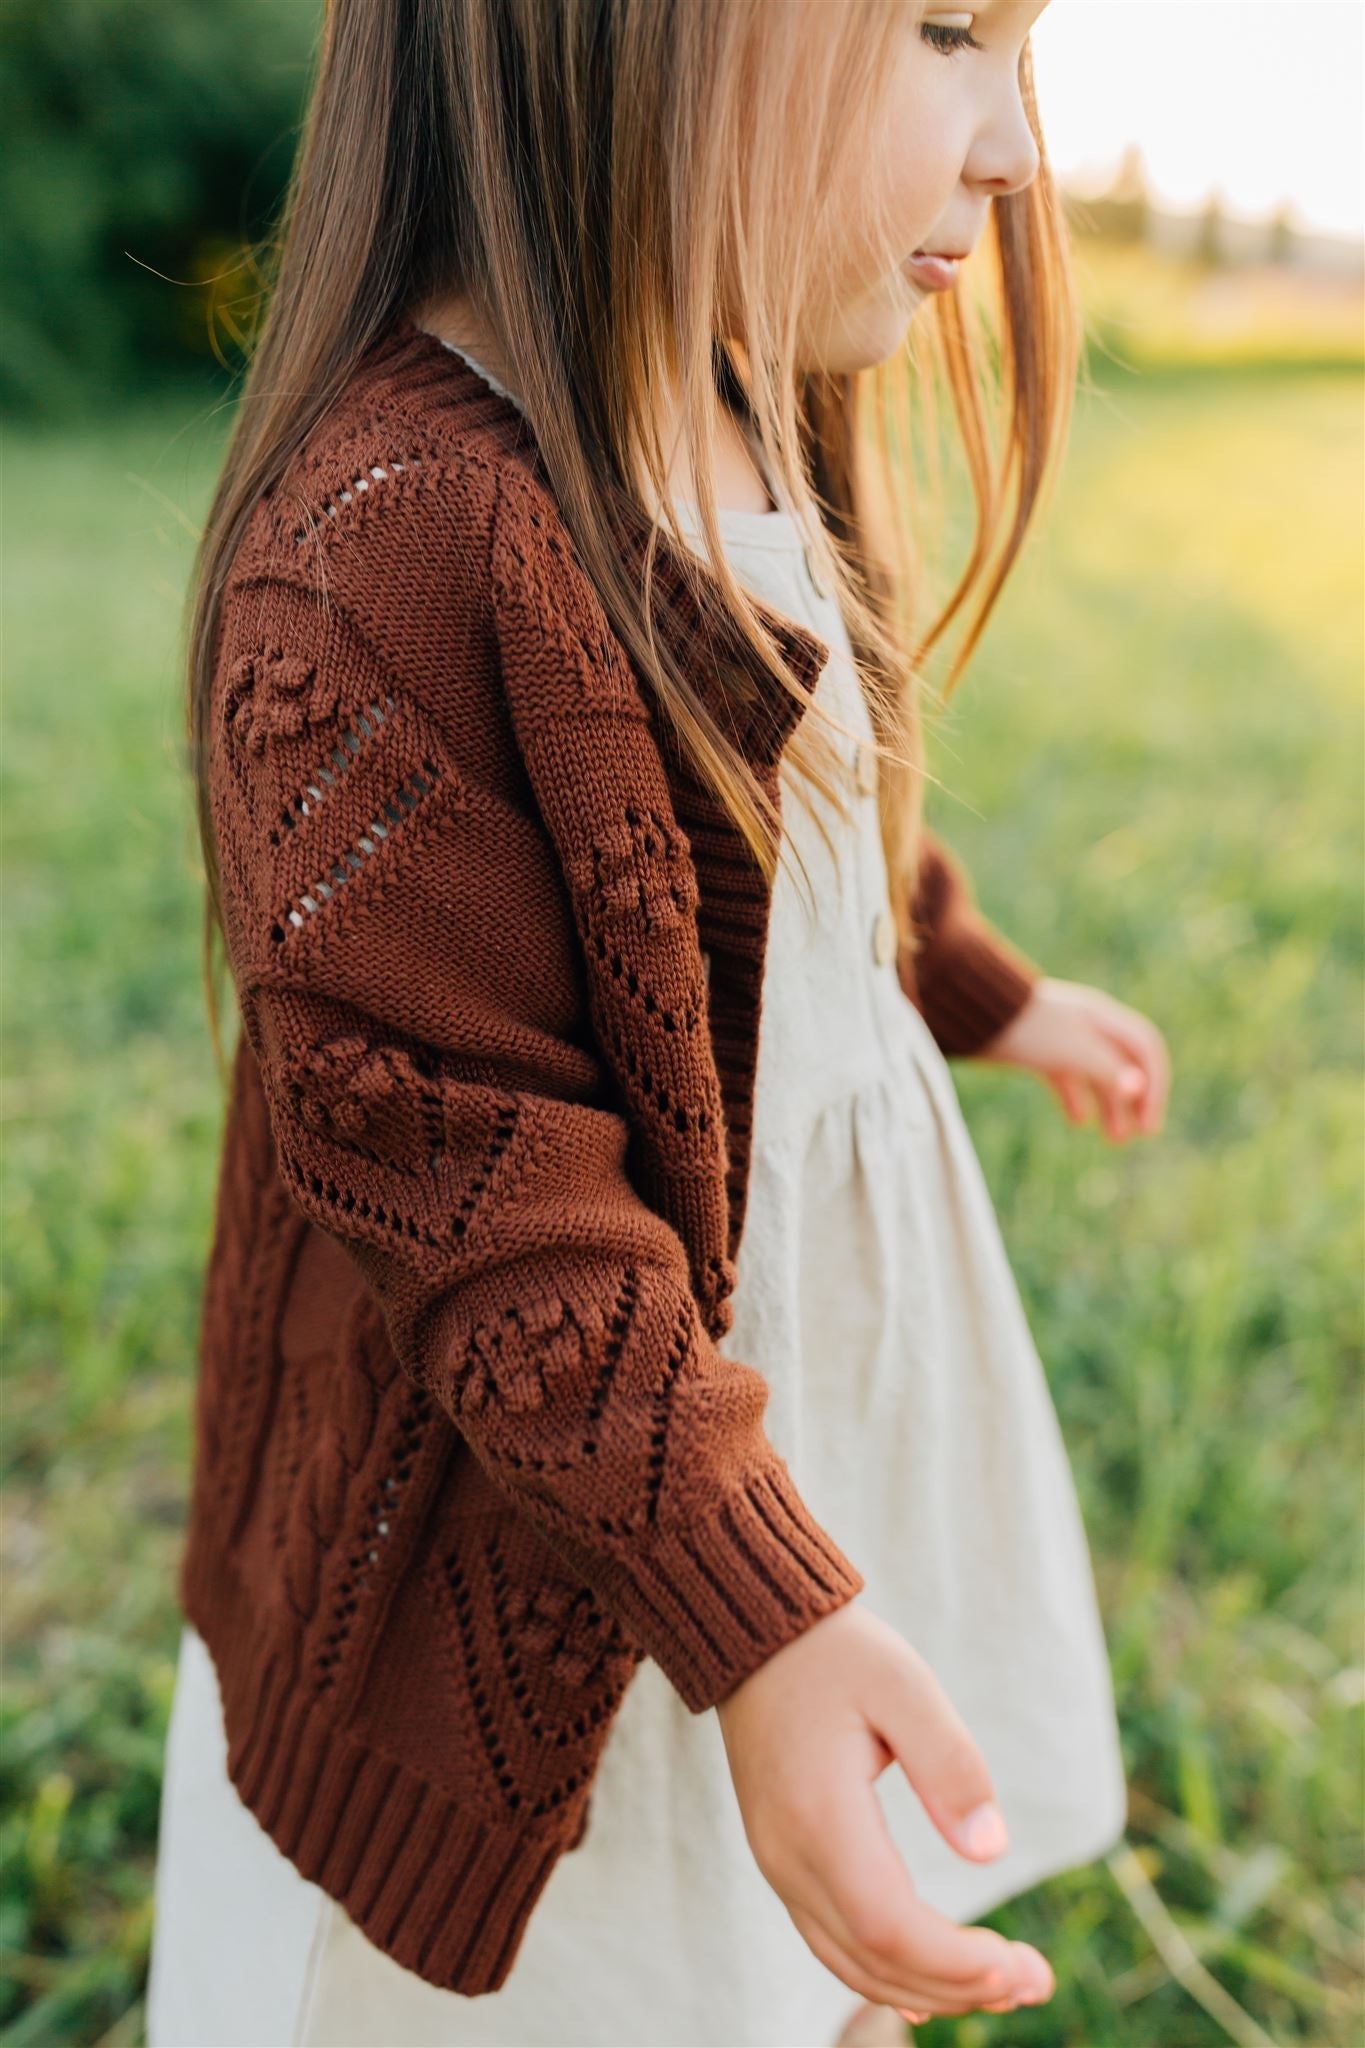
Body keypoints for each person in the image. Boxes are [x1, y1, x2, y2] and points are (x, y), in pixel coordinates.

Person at [146, 3, 1170, 2043]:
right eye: (943, 29)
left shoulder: (748, 396)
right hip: (558, 1522)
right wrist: (750, 1617)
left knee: (807, 1943)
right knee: (621, 1964)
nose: (1011, 152)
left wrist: (983, 988)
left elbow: (808, 847)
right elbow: (472, 1179)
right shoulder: (385, 545)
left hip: (797, 1415)